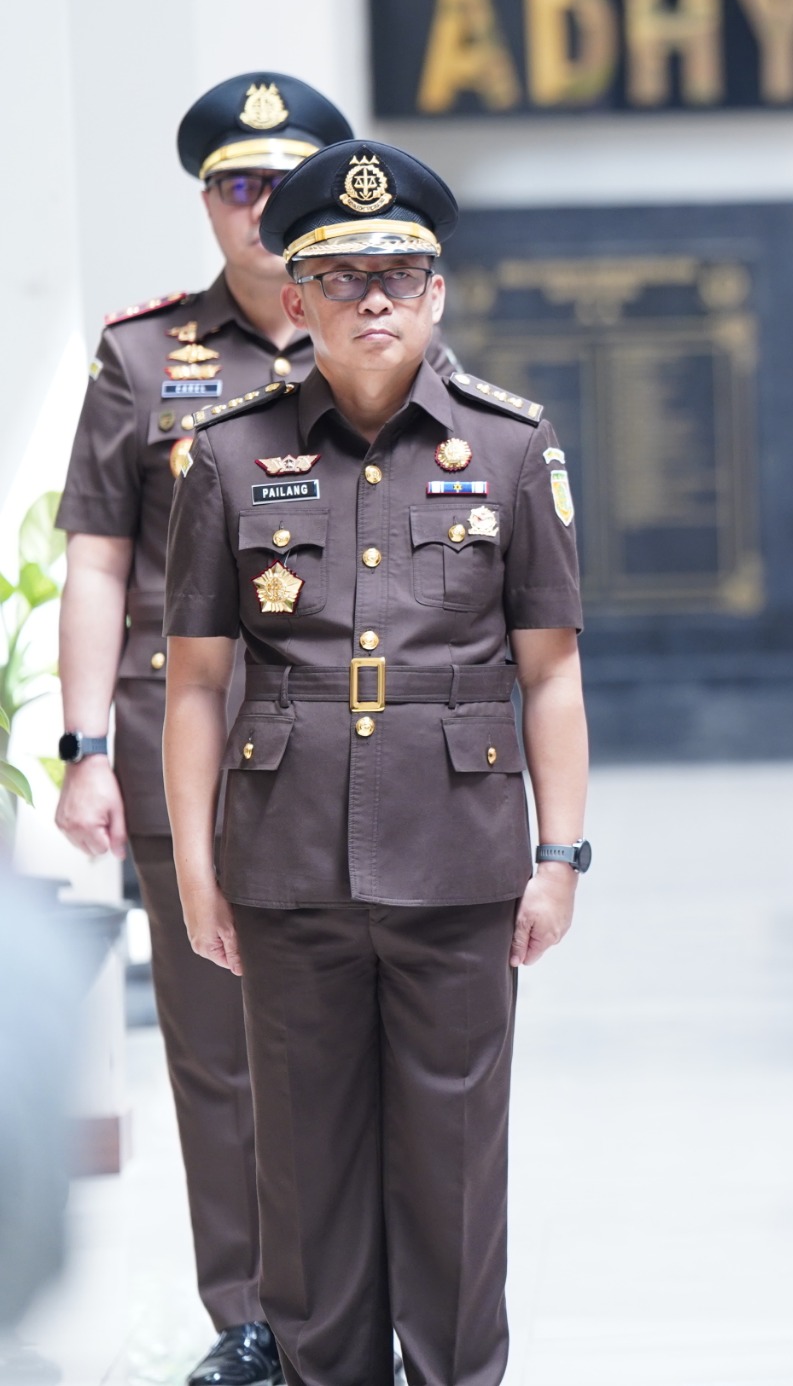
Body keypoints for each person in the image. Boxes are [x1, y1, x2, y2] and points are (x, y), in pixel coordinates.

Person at [161, 140, 590, 1386]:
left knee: (456, 1168)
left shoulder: (510, 448)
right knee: (305, 1176)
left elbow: (552, 668)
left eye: (400, 271)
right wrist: (196, 867)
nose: (375, 298)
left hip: (460, 861)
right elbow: (192, 680)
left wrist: (560, 853)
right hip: (286, 862)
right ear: (296, 300)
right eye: (343, 275)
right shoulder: (229, 456)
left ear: (438, 291)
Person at [52, 71, 351, 1386]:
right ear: (207, 201)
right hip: (186, 748)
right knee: (218, 1049)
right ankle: (253, 1314)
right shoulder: (141, 356)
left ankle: (357, 1302)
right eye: (234, 185)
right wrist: (77, 746)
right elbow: (100, 564)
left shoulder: (378, 338)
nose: (256, 210)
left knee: (352, 1040)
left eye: (279, 186)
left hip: (351, 746)